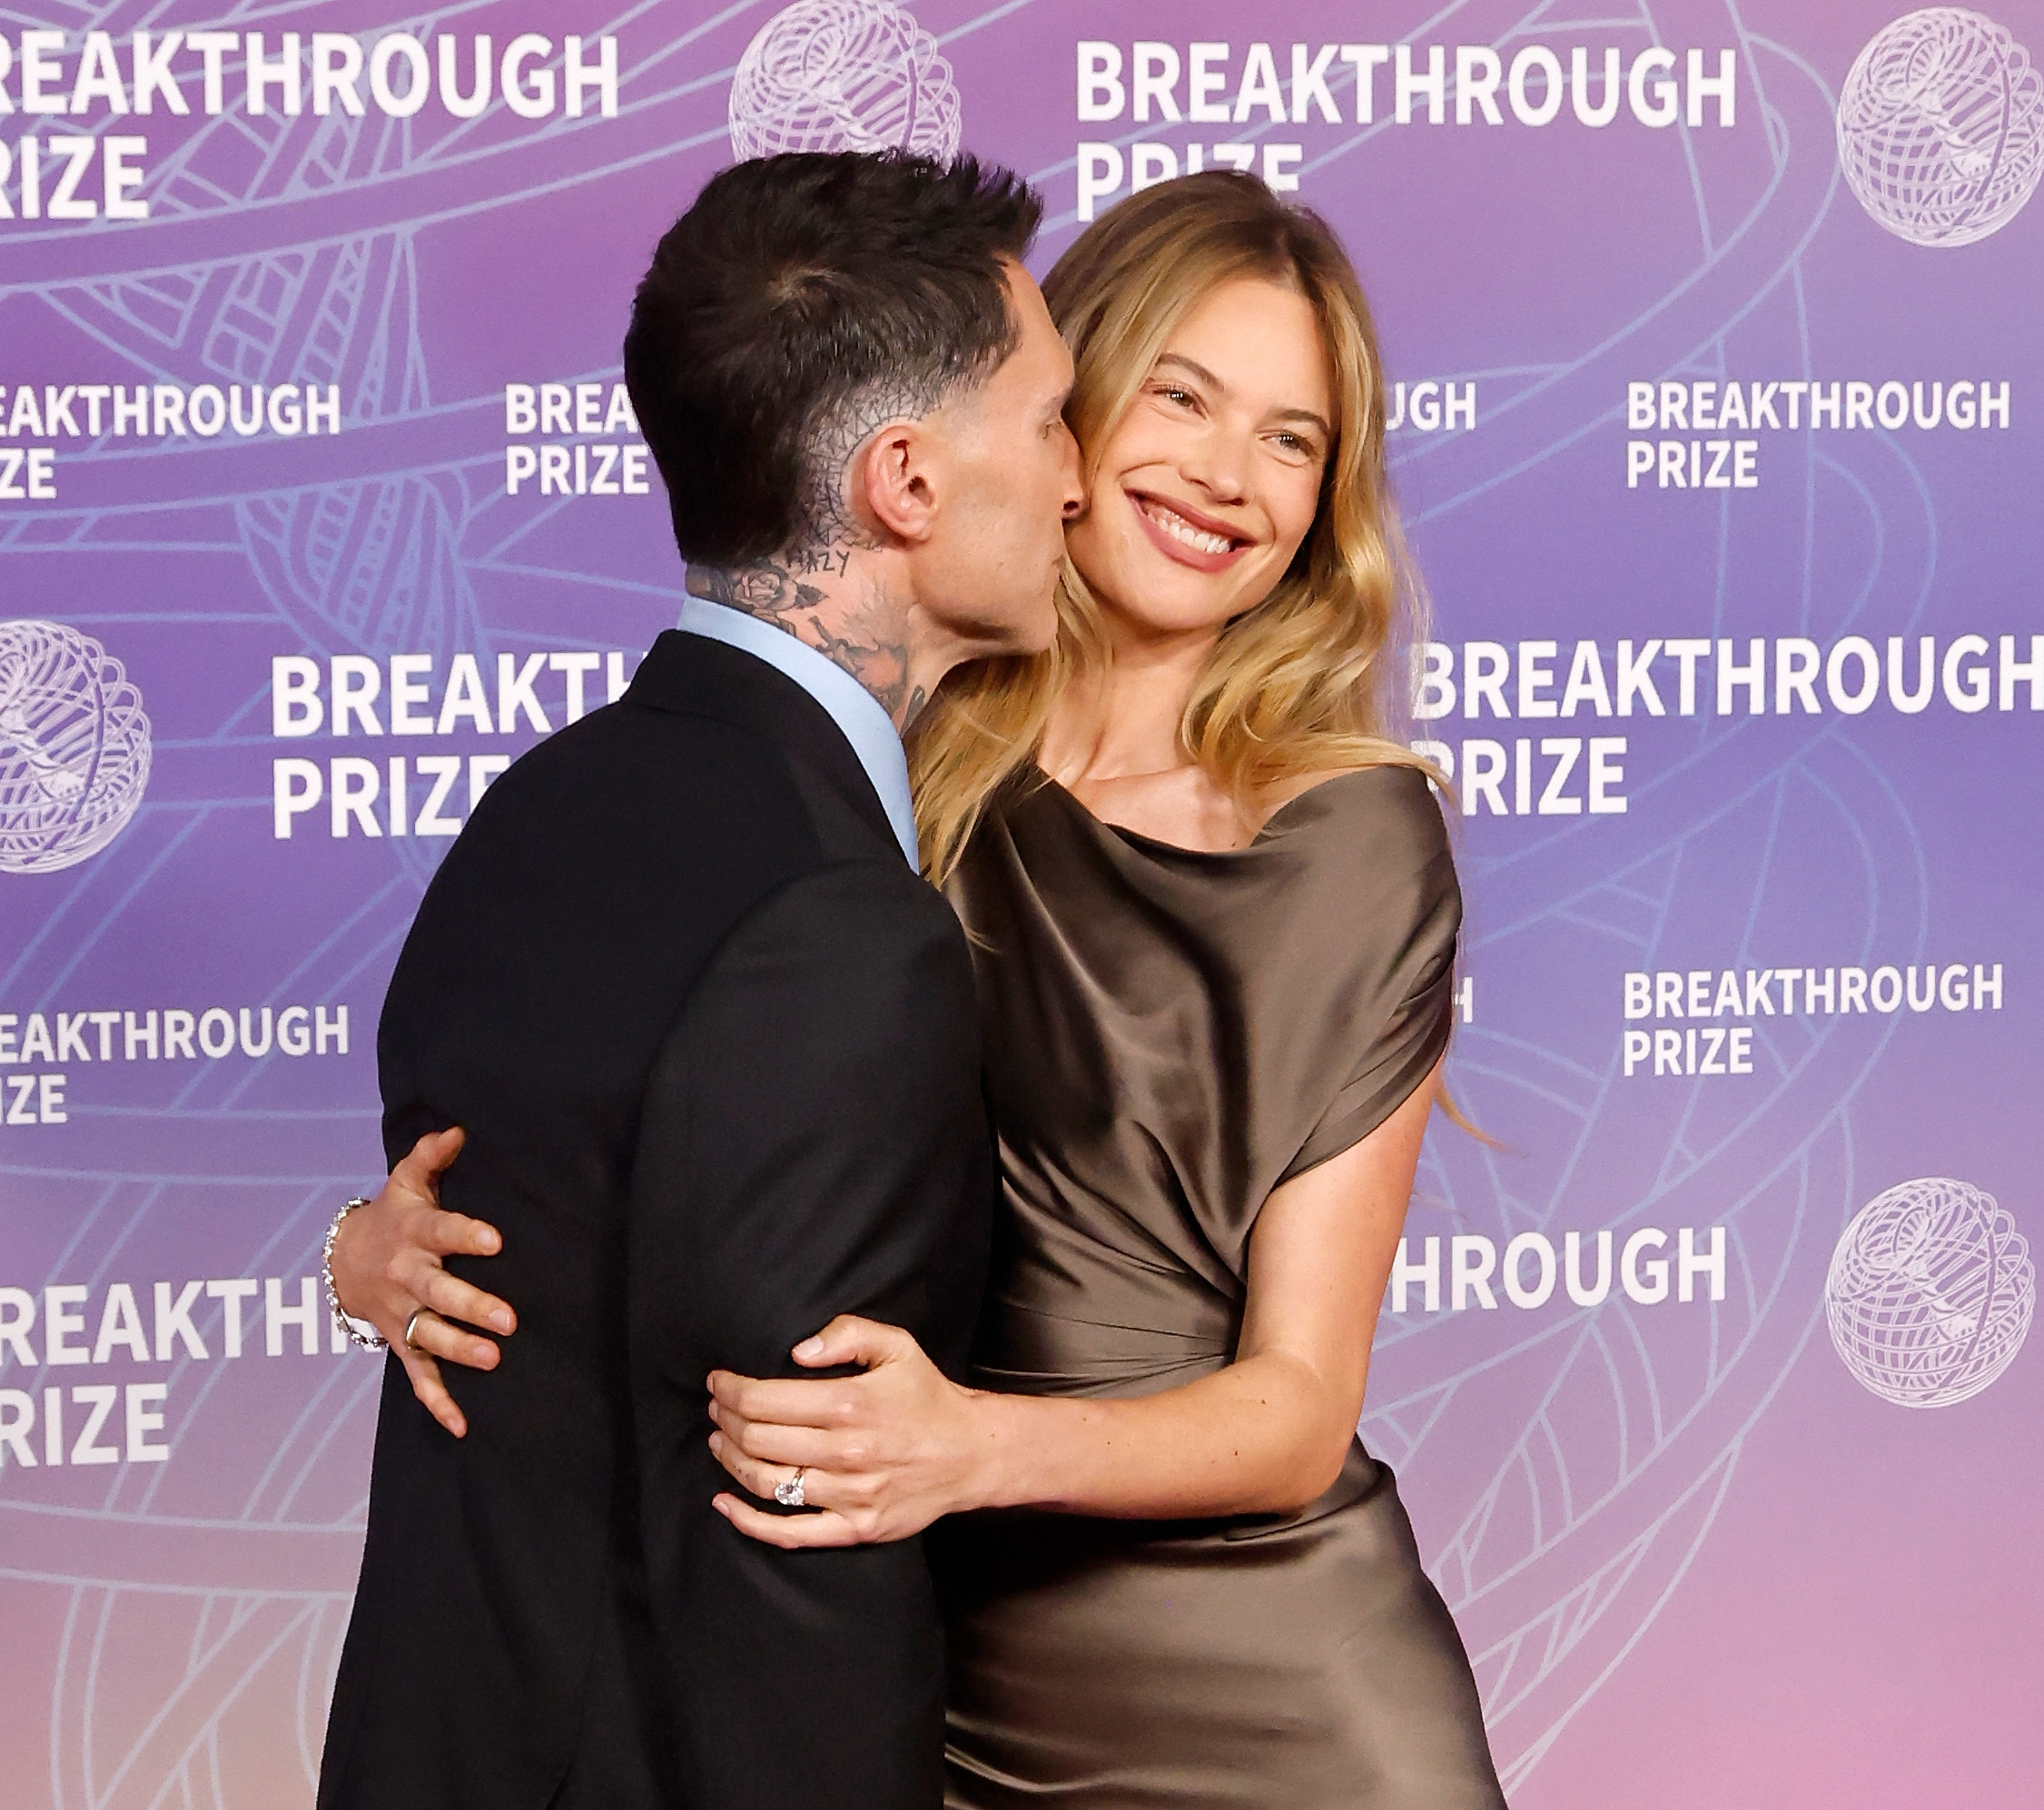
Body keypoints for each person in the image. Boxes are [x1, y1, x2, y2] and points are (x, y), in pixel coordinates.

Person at [342, 169, 1504, 1807]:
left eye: (1295, 438)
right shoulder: (889, 770)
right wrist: (371, 1245)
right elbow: (647, 1135)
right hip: (907, 1686)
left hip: (1252, 1702)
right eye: (1178, 396)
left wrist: (968, 1447)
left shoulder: (1353, 835)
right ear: (1058, 427)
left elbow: (1295, 1412)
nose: (1229, 477)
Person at [313, 150, 1080, 1810]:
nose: (1079, 481)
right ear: (906, 482)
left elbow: (528, 1292)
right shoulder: (842, 926)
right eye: (1046, 421)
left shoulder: (536, 811)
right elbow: (789, 1542)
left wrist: (342, 1251)